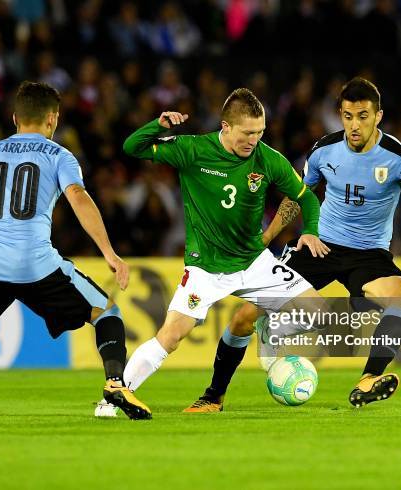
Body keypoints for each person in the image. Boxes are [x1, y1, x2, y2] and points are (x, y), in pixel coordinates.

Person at [185, 77, 401, 412]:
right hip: (320, 247)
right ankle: (214, 395)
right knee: (244, 316)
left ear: (379, 116)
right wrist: (266, 239)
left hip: (369, 255)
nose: (354, 125)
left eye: (362, 116)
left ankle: (368, 379)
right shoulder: (324, 150)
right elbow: (297, 198)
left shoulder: (400, 159)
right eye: (347, 116)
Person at [0, 81, 151, 421]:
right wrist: (109, 252)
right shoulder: (61, 156)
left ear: (14, 118)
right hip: (33, 262)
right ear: (53, 119)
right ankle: (114, 383)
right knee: (106, 313)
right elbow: (78, 197)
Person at [96, 88, 328, 415]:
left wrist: (310, 231)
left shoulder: (269, 159)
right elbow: (132, 147)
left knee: (320, 313)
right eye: (248, 132)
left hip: (253, 261)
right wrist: (158, 126)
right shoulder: (193, 149)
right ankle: (115, 396)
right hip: (206, 268)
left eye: (260, 132)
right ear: (226, 126)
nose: (254, 139)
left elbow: (307, 198)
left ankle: (270, 328)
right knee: (172, 335)